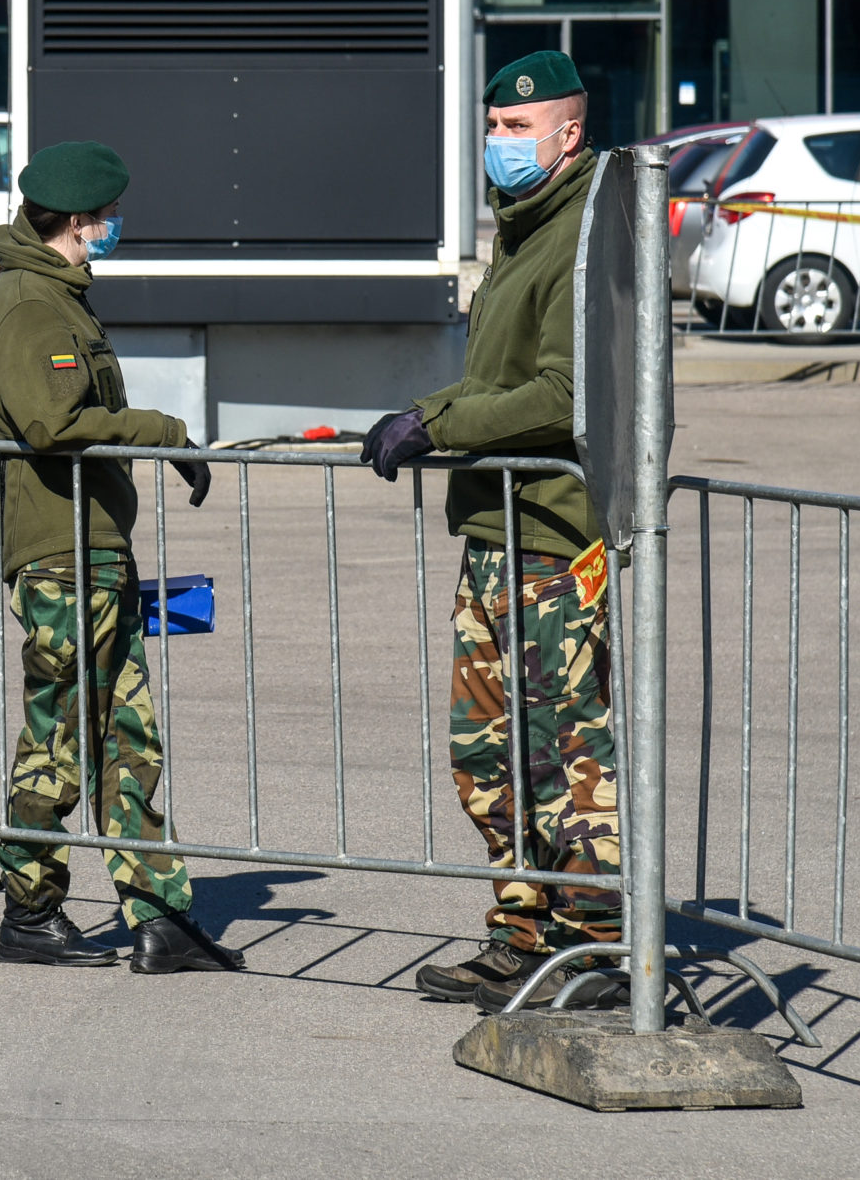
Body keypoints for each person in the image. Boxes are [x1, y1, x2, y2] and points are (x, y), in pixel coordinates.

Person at [359, 52, 624, 1013]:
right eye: (494, 128)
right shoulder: (522, 231)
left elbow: (562, 393)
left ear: (569, 134)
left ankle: (599, 947)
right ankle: (521, 933)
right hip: (494, 531)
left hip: (556, 538)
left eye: (519, 130)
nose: (499, 144)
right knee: (491, 753)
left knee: (567, 753)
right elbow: (494, 380)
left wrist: (442, 427)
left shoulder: (589, 233)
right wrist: (429, 412)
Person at [0, 139, 244, 975]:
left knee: (127, 734)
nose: (116, 226)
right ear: (82, 221)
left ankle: (158, 917)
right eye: (109, 214)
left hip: (94, 549)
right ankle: (30, 910)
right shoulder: (31, 305)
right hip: (61, 553)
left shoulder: (59, 295)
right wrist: (163, 433)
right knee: (60, 735)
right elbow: (51, 426)